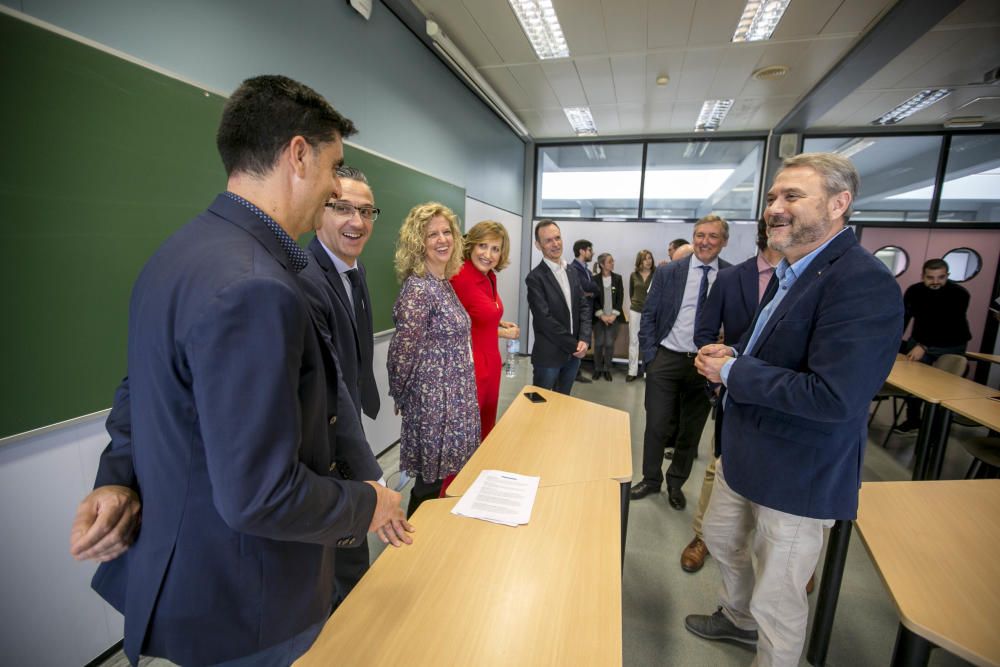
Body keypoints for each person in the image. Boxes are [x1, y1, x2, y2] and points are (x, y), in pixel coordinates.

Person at [67, 75, 413, 666]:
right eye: (332, 169)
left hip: (192, 581)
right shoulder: (257, 286)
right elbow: (260, 495)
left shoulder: (177, 254)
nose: (333, 187)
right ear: (298, 155)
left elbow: (143, 391)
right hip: (245, 601)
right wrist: (366, 503)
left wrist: (115, 476)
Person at [688, 153, 902, 667]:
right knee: (719, 538)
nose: (775, 209)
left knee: (779, 598)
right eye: (771, 199)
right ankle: (737, 618)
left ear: (839, 203)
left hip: (798, 472)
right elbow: (778, 350)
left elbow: (834, 396)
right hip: (746, 454)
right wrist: (735, 354)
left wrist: (734, 374)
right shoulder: (794, 271)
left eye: (791, 197)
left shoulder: (861, 281)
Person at [300, 165, 384, 602]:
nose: (358, 221)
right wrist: (371, 476)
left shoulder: (355, 269)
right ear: (318, 213)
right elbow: (329, 384)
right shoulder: (308, 278)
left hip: (346, 426)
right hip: (324, 444)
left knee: (350, 557)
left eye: (367, 211)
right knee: (341, 561)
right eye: (343, 208)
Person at [680, 218, 781, 574]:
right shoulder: (730, 278)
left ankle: (786, 558)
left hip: (783, 395)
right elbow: (705, 330)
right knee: (718, 466)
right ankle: (702, 536)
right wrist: (717, 364)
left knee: (779, 473)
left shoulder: (809, 282)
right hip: (733, 391)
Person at [630, 215, 732, 509]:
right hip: (666, 357)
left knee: (690, 430)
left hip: (704, 366)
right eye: (700, 235)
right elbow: (649, 315)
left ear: (723, 242)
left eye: (712, 236)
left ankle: (676, 484)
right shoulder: (669, 272)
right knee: (657, 425)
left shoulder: (730, 275)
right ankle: (651, 479)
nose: (705, 241)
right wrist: (651, 357)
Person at [387, 202, 480, 516]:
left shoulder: (442, 283)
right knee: (427, 487)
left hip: (454, 401)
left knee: (440, 483)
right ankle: (413, 549)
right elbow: (400, 353)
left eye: (447, 232)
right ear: (419, 243)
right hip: (434, 406)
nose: (442, 240)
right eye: (432, 235)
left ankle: (433, 539)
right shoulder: (419, 289)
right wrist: (402, 394)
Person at [450, 220, 520, 439]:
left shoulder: (489, 276)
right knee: (466, 439)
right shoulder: (460, 278)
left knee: (485, 433)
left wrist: (498, 324)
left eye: (495, 249)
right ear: (471, 245)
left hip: (491, 368)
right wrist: (499, 332)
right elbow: (454, 329)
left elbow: (475, 315)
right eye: (483, 245)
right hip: (470, 372)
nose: (488, 254)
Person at [895, 258, 972, 432]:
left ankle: (936, 426)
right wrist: (895, 340)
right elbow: (905, 317)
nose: (936, 282)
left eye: (941, 277)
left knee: (944, 386)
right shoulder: (914, 291)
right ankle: (913, 420)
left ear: (948, 276)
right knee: (912, 382)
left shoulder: (959, 294)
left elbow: (946, 322)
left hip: (951, 342)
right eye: (930, 277)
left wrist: (924, 346)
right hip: (920, 339)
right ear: (923, 276)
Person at [525, 220, 593, 394]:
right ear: (538, 245)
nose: (555, 244)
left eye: (557, 238)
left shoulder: (571, 271)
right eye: (548, 240)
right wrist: (574, 346)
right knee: (540, 406)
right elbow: (544, 320)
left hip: (573, 356)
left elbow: (583, 306)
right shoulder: (535, 278)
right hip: (549, 358)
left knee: (563, 404)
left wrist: (584, 339)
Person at [591, 252, 624, 381]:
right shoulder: (594, 280)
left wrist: (613, 315)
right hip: (599, 318)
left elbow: (620, 298)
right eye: (610, 261)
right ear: (602, 264)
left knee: (609, 344)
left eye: (612, 261)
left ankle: (607, 369)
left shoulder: (617, 278)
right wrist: (601, 315)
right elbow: (593, 299)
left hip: (613, 318)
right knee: (599, 343)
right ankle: (597, 369)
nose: (612, 263)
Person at [569, 239, 596, 383]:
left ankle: (576, 372)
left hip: (587, 311)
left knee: (582, 342)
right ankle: (574, 373)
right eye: (590, 250)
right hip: (577, 312)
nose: (592, 253)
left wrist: (589, 291)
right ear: (582, 251)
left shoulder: (586, 270)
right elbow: (586, 286)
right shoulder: (573, 268)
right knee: (576, 341)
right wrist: (588, 290)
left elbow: (594, 288)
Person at [627, 249, 655, 382]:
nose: (648, 261)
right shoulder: (634, 275)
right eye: (645, 258)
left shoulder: (656, 274)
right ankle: (632, 371)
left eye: (650, 258)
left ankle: (647, 372)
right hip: (635, 311)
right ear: (640, 261)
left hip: (650, 313)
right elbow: (631, 293)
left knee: (649, 342)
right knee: (634, 341)